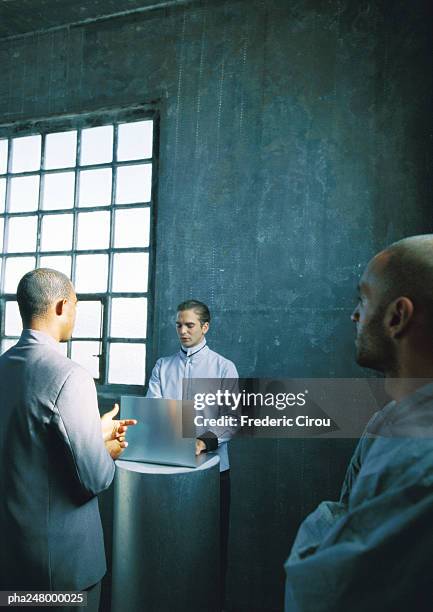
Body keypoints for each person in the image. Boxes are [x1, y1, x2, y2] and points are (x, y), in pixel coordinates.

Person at [284, 235, 433, 611]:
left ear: (397, 316)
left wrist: (330, 521)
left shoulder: (419, 460)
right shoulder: (387, 422)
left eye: (363, 300)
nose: (354, 315)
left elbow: (322, 591)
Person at [0, 268, 136, 611]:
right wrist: (109, 449)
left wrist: (91, 429)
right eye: (75, 306)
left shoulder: (4, 366)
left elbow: (26, 444)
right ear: (62, 306)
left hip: (12, 560)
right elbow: (95, 477)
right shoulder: (69, 375)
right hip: (60, 569)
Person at [147, 299, 238, 605]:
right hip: (168, 471)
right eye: (178, 325)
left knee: (210, 550)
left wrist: (202, 442)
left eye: (189, 325)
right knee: (169, 548)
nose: (182, 331)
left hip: (213, 472)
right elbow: (154, 411)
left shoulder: (223, 367)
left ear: (205, 327)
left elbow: (232, 419)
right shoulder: (163, 365)